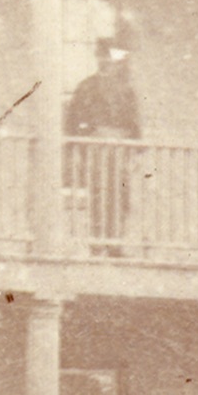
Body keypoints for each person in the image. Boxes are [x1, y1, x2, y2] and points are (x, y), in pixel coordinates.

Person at [63, 29, 142, 256]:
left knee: (120, 194)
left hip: (121, 146)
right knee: (99, 192)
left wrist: (134, 151)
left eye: (111, 58)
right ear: (97, 58)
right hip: (96, 145)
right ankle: (97, 242)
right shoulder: (86, 87)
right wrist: (77, 147)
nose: (107, 62)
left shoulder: (126, 90)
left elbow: (134, 123)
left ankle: (115, 242)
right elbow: (73, 120)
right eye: (103, 57)